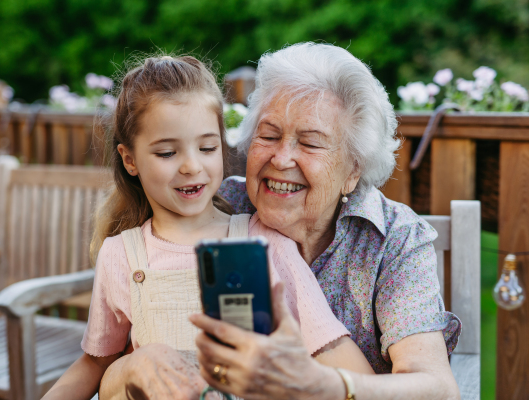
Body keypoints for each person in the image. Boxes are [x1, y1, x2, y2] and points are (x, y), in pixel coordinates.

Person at [98, 43, 462, 400]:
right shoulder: (210, 205)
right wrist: (132, 367)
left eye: (311, 143)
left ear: (353, 170)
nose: (282, 158)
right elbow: (114, 355)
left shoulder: (394, 239)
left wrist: (328, 386)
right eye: (269, 135)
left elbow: (435, 390)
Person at [43, 54, 374, 400]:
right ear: (130, 160)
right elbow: (95, 364)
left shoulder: (263, 244)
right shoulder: (121, 254)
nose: (191, 166)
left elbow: (332, 350)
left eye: (206, 147)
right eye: (167, 153)